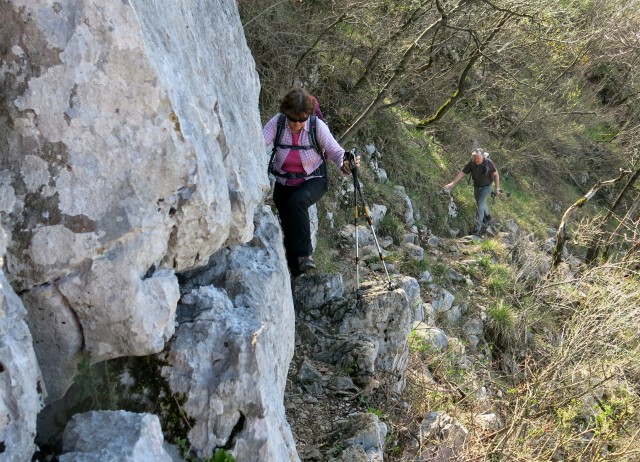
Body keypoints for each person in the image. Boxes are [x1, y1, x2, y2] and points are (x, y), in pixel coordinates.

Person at [263, 88, 359, 276]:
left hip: (313, 180)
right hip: (283, 183)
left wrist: (346, 164)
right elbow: (259, 141)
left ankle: (305, 255)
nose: (297, 124)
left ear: (308, 116)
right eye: (292, 119)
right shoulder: (278, 122)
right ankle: (295, 276)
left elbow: (336, 152)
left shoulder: (317, 127)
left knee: (297, 202)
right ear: (285, 113)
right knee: (289, 228)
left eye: (301, 119)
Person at [444, 149, 500, 237]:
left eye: (478, 158)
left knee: (480, 206)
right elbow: (462, 173)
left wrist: (497, 188)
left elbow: (496, 175)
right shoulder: (472, 163)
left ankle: (477, 229)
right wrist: (453, 183)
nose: (476, 160)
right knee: (480, 203)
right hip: (476, 187)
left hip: (486, 187)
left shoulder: (488, 162)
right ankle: (488, 217)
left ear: (482, 156)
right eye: (475, 158)